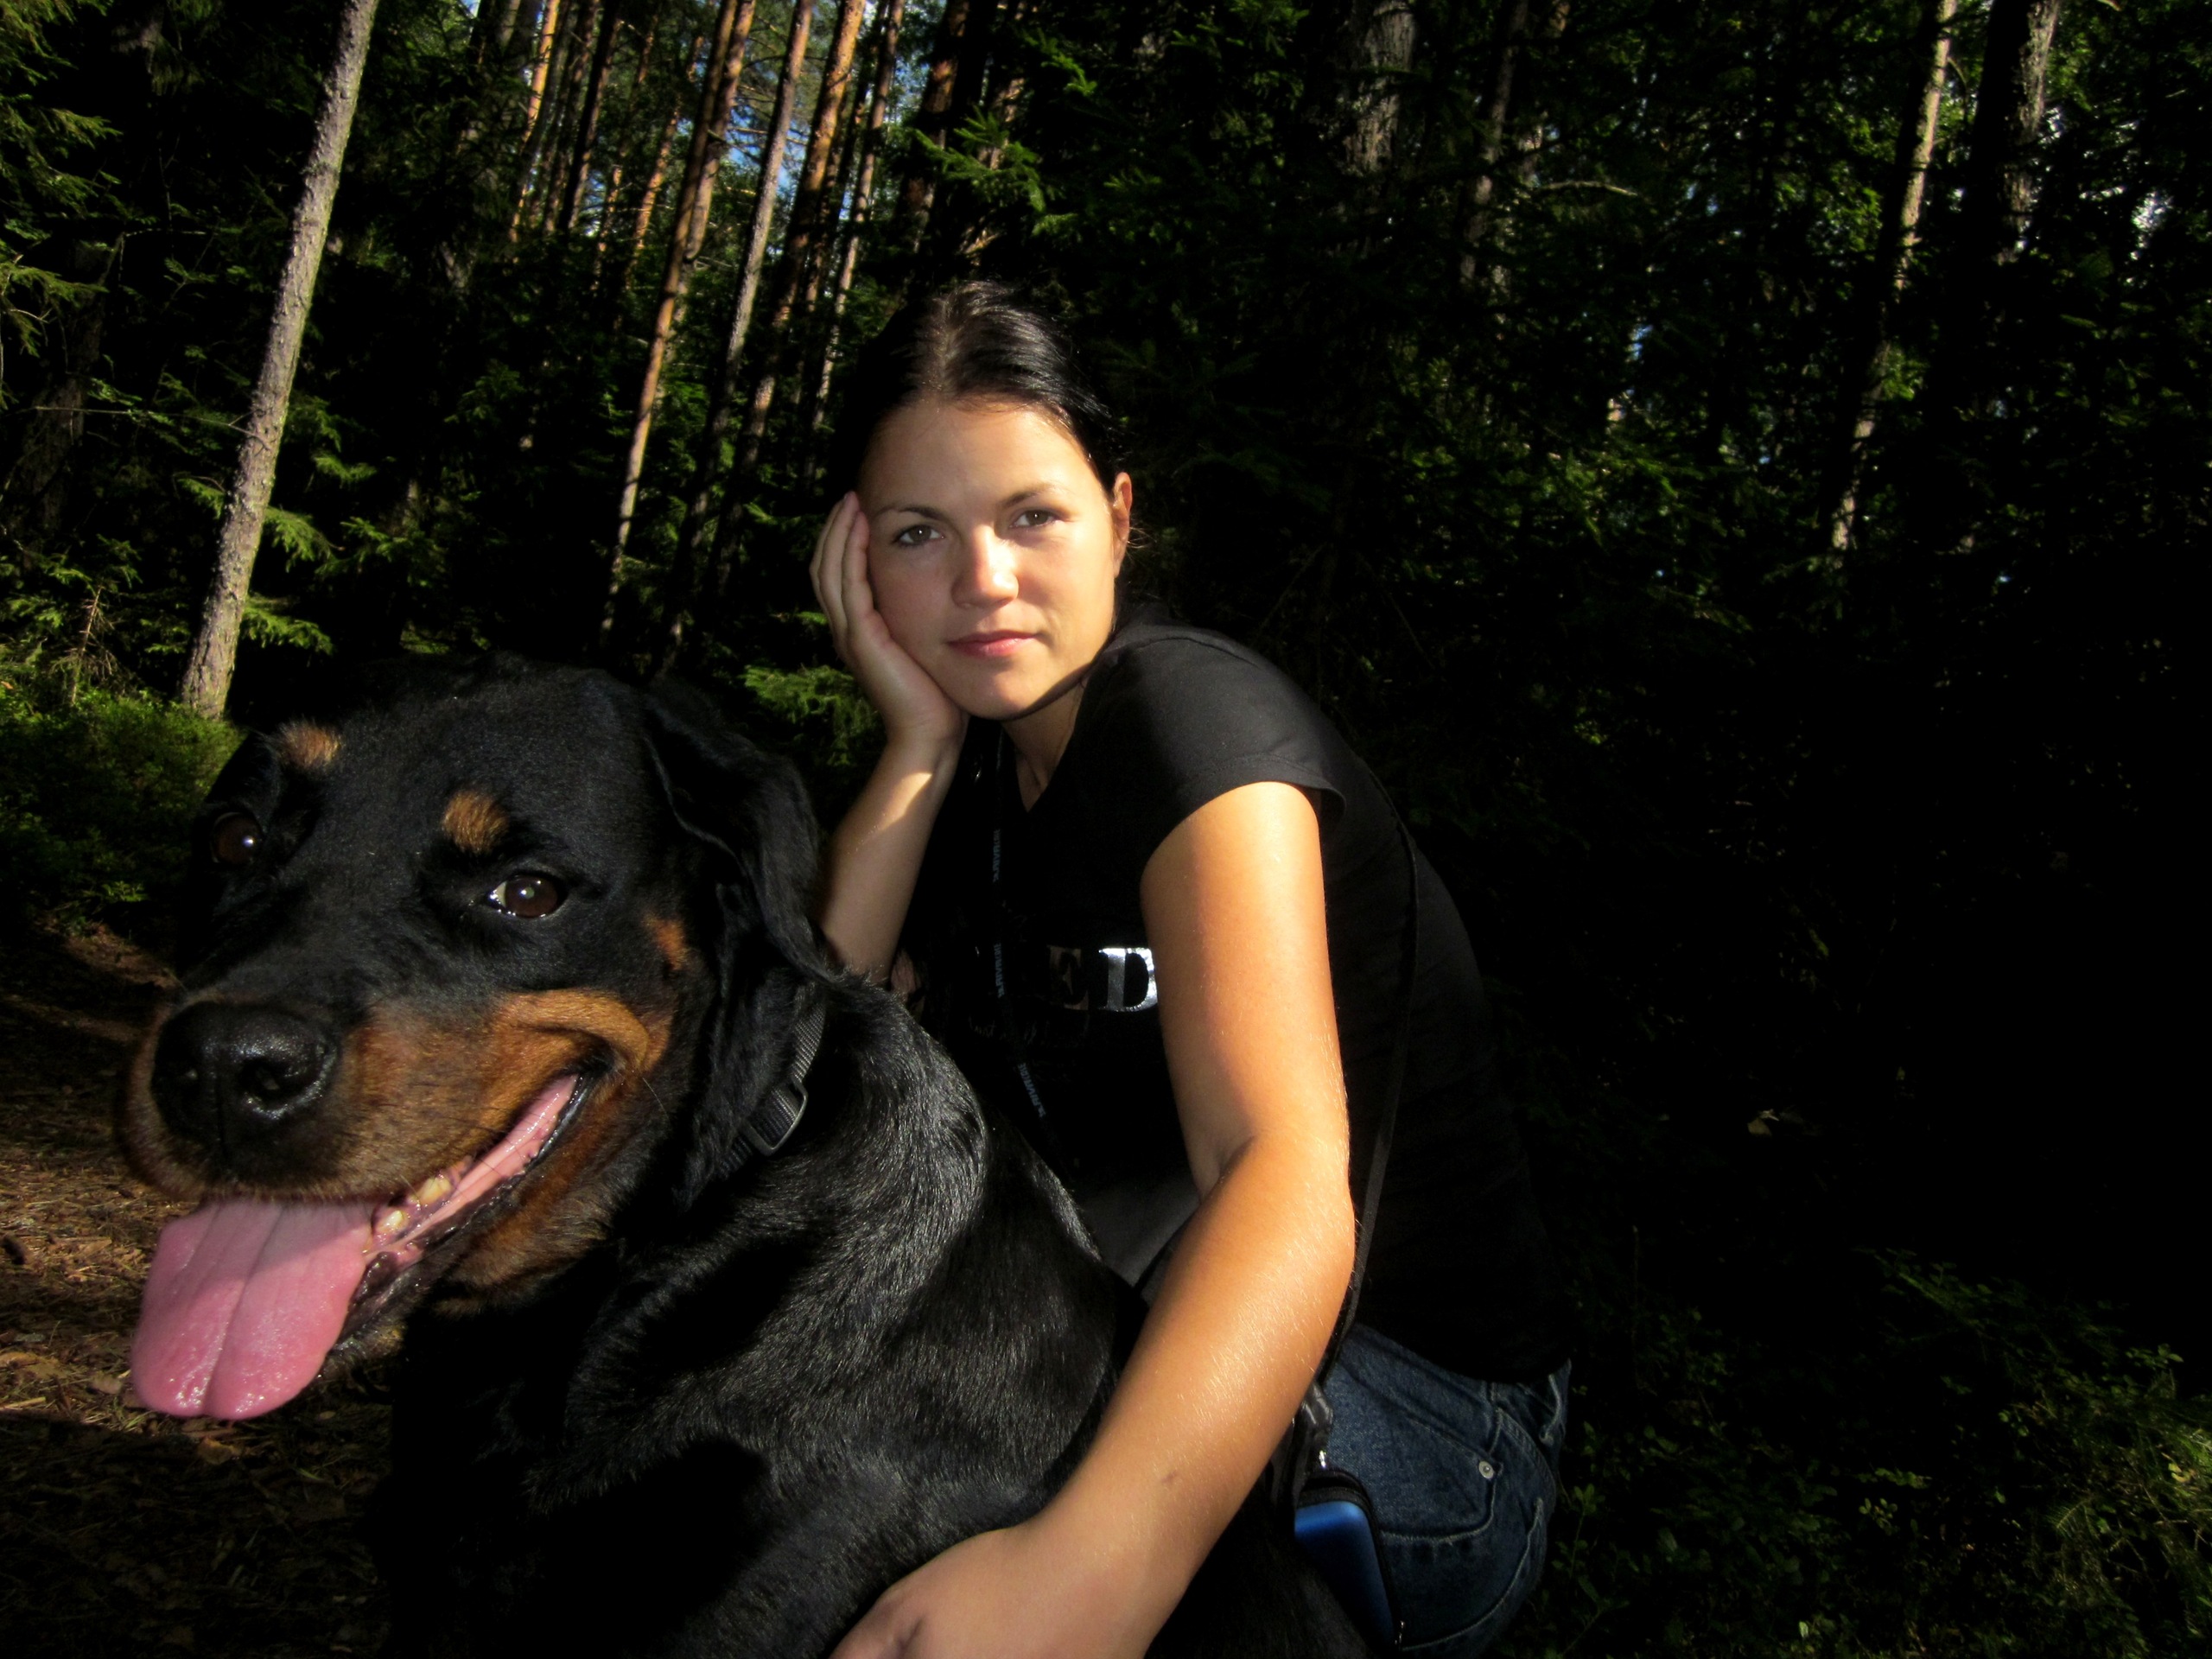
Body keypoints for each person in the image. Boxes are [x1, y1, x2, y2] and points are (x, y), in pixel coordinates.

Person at [810, 283, 1571, 1659]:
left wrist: (1084, 1576)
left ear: (1120, 518)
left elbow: (1280, 1170)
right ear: (858, 560)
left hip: (1423, 1417)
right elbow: (813, 1070)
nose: (983, 580)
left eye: (1032, 517)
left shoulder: (1195, 727)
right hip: (1117, 1309)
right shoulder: (974, 779)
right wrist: (914, 744)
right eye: (919, 533)